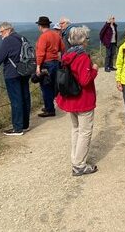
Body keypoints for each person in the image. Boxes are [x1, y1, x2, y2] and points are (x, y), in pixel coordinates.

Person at [56, 26, 99, 176]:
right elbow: (85, 80)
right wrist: (94, 69)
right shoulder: (82, 57)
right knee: (85, 131)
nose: (87, 41)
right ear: (82, 40)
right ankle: (79, 165)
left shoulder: (68, 54)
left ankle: (75, 159)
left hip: (71, 98)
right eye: (86, 38)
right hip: (83, 99)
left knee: (75, 129)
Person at [35, 16, 65, 117]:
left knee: (45, 87)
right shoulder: (56, 35)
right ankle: (49, 105)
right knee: (52, 85)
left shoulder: (43, 37)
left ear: (40, 26)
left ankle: (50, 109)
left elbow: (40, 53)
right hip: (56, 63)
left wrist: (38, 66)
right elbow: (62, 48)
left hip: (46, 64)